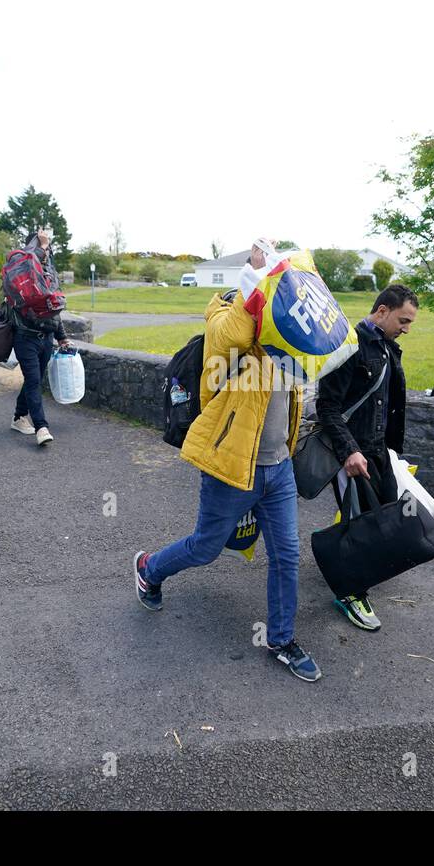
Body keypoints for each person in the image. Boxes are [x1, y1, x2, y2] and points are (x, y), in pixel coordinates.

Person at [133, 238, 321, 682]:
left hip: (278, 467)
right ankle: (149, 569)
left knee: (287, 555)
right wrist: (254, 279)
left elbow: (311, 363)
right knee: (206, 547)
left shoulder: (285, 324)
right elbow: (231, 336)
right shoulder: (225, 308)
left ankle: (281, 639)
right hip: (232, 463)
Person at [315, 283, 419, 632]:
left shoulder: (387, 347)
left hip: (377, 451)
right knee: (362, 522)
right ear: (382, 311)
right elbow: (326, 406)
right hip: (352, 453)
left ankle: (343, 556)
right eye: (403, 320)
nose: (406, 328)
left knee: (387, 514)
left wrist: (390, 449)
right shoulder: (350, 345)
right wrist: (349, 452)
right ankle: (350, 592)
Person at [7, 228, 72, 446]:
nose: (48, 249)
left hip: (46, 338)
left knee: (33, 380)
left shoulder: (48, 272)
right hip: (25, 336)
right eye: (45, 245)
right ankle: (41, 427)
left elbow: (54, 307)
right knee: (34, 380)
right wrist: (41, 246)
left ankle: (18, 417)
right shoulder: (21, 265)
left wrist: (61, 337)